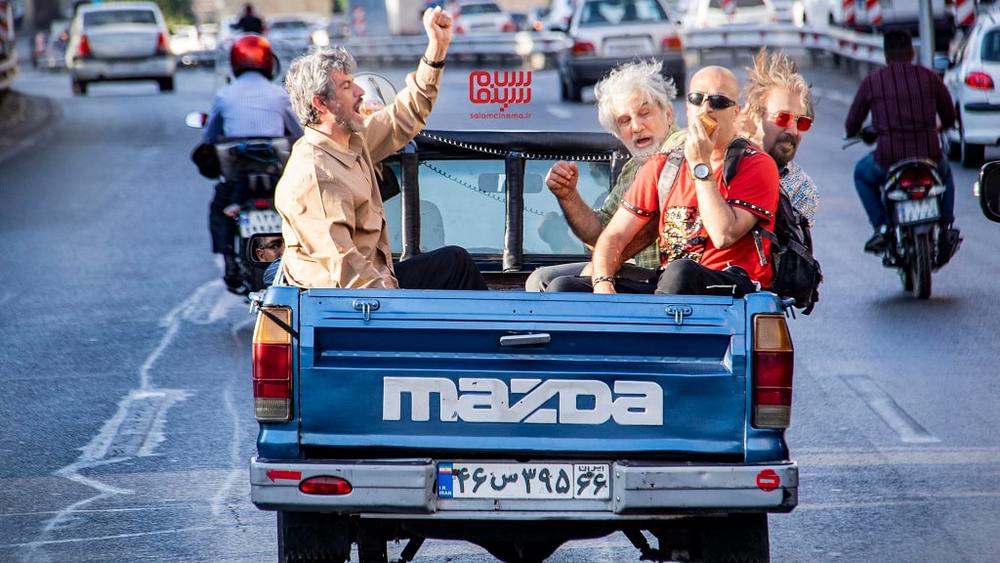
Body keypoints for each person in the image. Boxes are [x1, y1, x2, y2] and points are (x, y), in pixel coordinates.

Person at [276, 7, 487, 291]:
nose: (360, 92)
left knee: (454, 261)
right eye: (347, 86)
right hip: (355, 306)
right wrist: (396, 307)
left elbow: (405, 115)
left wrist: (437, 48)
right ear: (321, 104)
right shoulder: (316, 173)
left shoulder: (352, 141)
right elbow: (345, 268)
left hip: (380, 280)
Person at [547, 66, 780, 296]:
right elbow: (612, 236)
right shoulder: (663, 164)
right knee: (564, 289)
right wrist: (602, 284)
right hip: (668, 286)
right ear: (687, 107)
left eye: (718, 101)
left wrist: (701, 165)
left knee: (681, 271)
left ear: (736, 112)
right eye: (697, 99)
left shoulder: (756, 164)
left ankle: (654, 326)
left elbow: (723, 234)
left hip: (729, 285)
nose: (706, 108)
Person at [525, 60, 686, 291]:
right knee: (539, 279)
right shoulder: (634, 168)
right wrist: (568, 196)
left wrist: (605, 270)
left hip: (673, 279)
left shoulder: (682, 147)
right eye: (625, 120)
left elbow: (651, 223)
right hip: (641, 272)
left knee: (562, 288)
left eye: (645, 113)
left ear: (668, 114)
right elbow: (600, 234)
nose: (637, 126)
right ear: (617, 132)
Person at [844, 30, 960, 258]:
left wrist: (859, 132)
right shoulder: (929, 77)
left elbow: (851, 124)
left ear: (886, 55)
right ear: (912, 52)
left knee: (861, 174)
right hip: (930, 156)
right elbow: (949, 115)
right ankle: (946, 227)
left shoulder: (873, 81)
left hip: (888, 159)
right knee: (946, 176)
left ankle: (883, 227)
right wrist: (941, 126)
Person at [202, 35, 303, 294]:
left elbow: (210, 137)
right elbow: (299, 133)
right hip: (277, 175)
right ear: (269, 62)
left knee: (218, 207)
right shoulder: (279, 94)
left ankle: (226, 260)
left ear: (235, 62)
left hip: (238, 179)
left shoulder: (224, 95)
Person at [739, 49, 819, 225]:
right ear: (753, 114)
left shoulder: (801, 188)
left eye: (802, 122)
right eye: (783, 118)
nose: (793, 131)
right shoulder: (722, 160)